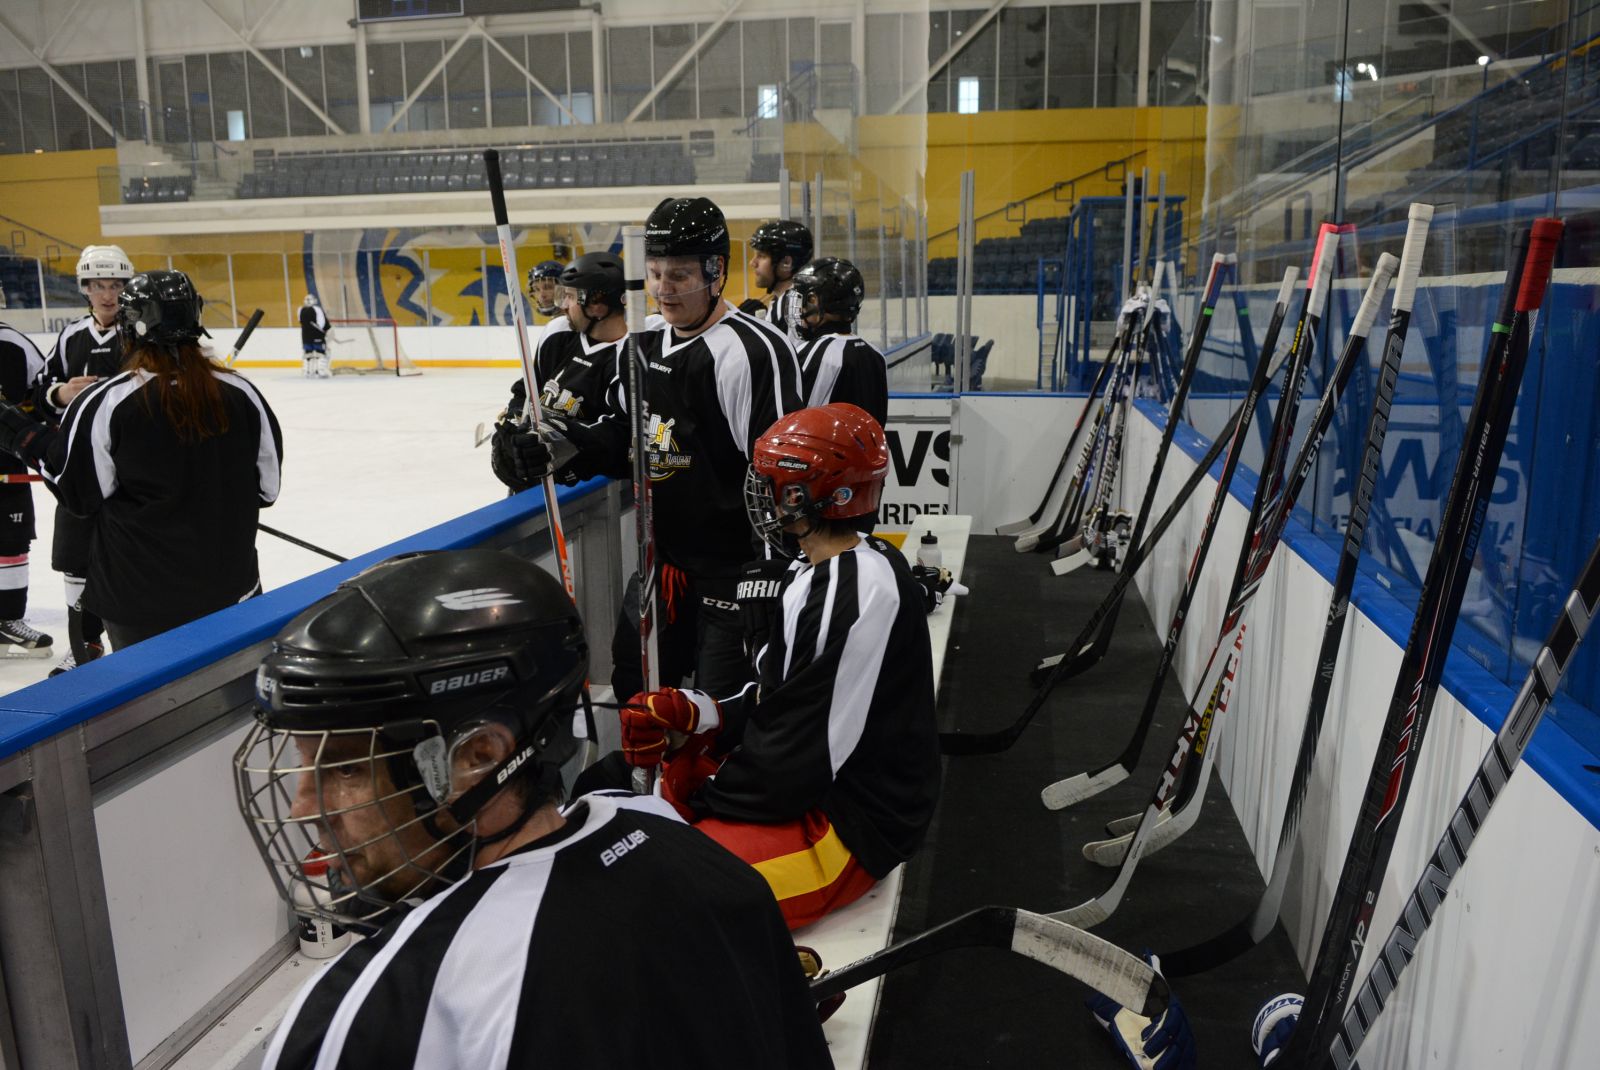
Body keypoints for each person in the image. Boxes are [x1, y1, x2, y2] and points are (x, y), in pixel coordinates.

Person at [232, 548, 833, 1070]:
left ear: (479, 756)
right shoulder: (680, 844)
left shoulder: (376, 1011)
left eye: (344, 768)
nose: (305, 807)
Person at [620, 403, 940, 929]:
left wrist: (697, 792)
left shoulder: (850, 589)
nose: (763, 495)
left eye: (774, 484)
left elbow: (795, 755)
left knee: (664, 895)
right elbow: (783, 697)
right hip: (818, 788)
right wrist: (702, 714)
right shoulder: (821, 568)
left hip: (855, 824)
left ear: (808, 495)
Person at [498, 197, 802, 704]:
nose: (663, 289)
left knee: (720, 707)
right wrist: (562, 447)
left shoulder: (752, 352)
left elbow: (777, 471)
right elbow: (625, 434)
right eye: (656, 273)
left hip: (733, 575)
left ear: (716, 271)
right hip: (663, 564)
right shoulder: (641, 344)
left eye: (680, 275)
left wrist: (771, 574)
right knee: (634, 686)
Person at [0, 270, 283, 650]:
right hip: (233, 589)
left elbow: (79, 494)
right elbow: (267, 490)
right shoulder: (242, 393)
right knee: (230, 685)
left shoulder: (106, 402)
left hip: (138, 601)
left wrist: (20, 433)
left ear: (129, 325)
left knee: (155, 690)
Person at [38, 244, 134, 673]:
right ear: (85, 289)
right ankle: (85, 643)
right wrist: (61, 393)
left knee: (132, 554)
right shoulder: (71, 336)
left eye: (115, 285)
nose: (108, 295)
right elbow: (40, 390)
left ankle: (135, 641)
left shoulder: (140, 333)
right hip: (79, 466)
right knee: (75, 558)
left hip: (131, 469)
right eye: (99, 286)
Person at [489, 252, 627, 490]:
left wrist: (558, 440)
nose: (562, 306)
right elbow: (527, 389)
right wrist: (516, 422)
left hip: (580, 492)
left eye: (569, 297)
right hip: (536, 483)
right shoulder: (558, 334)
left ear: (596, 304)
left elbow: (616, 437)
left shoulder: (630, 358)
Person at [0, 318, 52, 658]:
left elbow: (43, 395)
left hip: (7, 464)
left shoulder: (13, 344)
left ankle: (7, 620)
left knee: (11, 541)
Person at [791, 257, 888, 429]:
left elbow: (794, 423)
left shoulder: (813, 352)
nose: (801, 309)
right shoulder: (875, 354)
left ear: (814, 301)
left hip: (823, 446)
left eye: (803, 300)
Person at [748, 219, 814, 347]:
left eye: (761, 256)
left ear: (786, 263)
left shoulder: (794, 307)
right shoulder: (782, 302)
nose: (753, 263)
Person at [298, 294, 329, 379]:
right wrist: (325, 331)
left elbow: (300, 321)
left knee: (308, 353)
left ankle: (306, 371)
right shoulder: (317, 309)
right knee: (320, 353)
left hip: (305, 336)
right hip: (317, 335)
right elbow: (322, 323)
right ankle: (320, 371)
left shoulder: (300, 309)